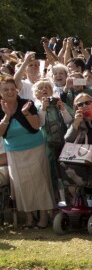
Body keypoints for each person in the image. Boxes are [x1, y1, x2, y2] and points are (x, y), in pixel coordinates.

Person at [0, 75, 54, 229]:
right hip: (14, 152)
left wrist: (26, 114)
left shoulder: (27, 104)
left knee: (39, 183)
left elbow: (36, 126)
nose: (10, 92)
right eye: (6, 89)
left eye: (12, 89)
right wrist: (7, 116)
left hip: (35, 148)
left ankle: (44, 216)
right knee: (22, 186)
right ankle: (29, 217)